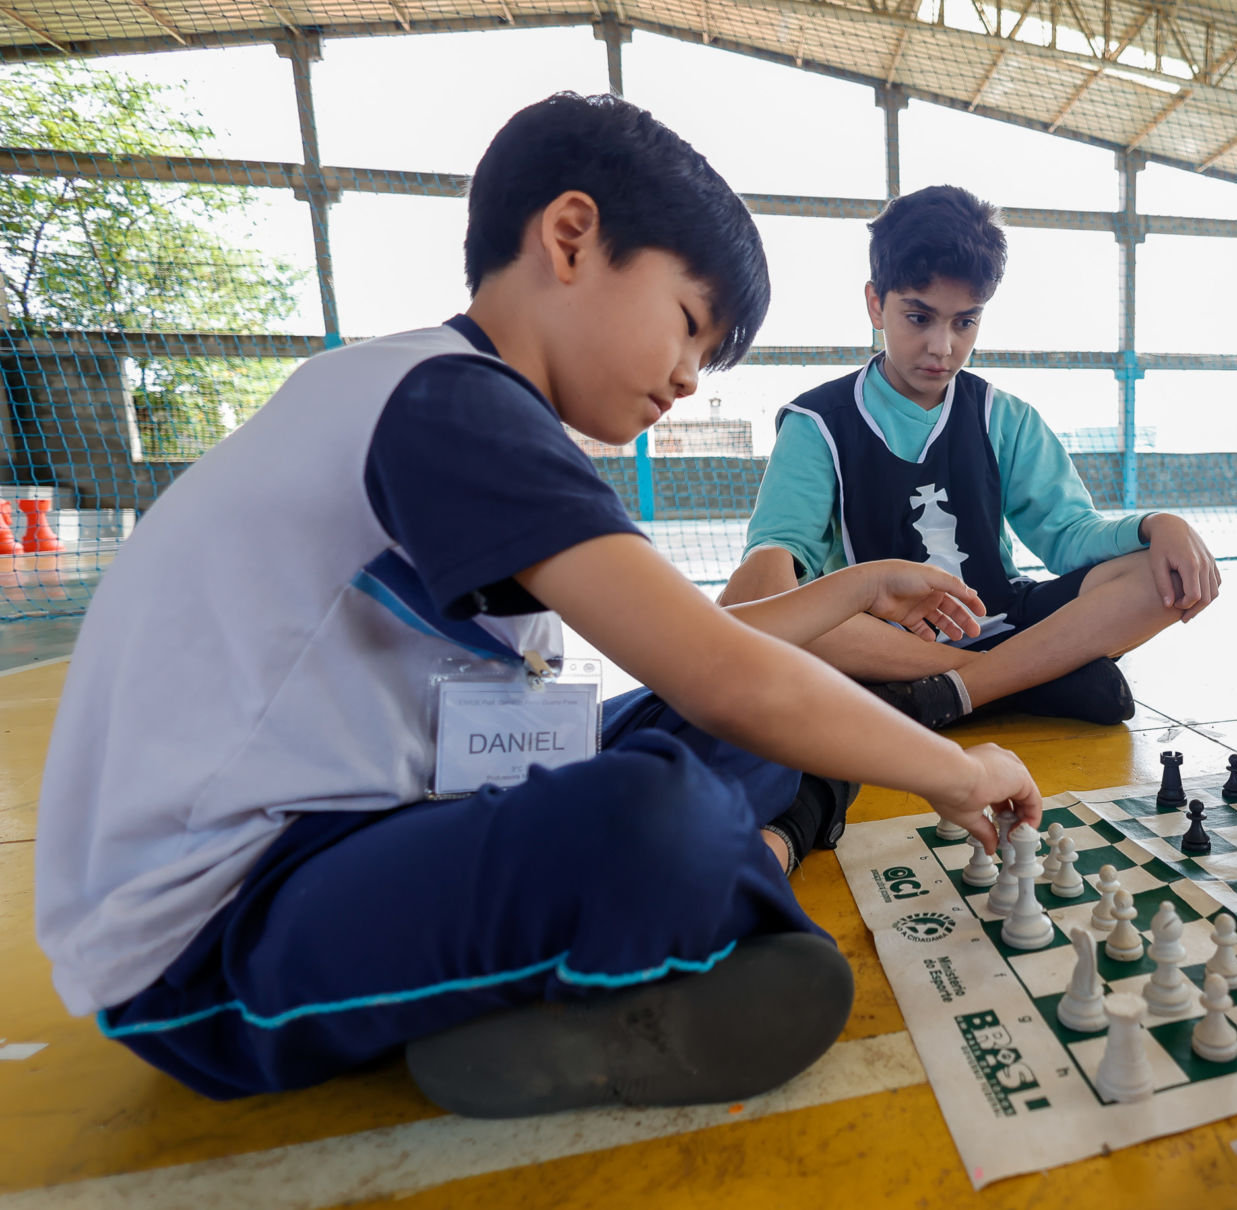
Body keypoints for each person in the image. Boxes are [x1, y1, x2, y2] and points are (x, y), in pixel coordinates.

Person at [34, 93, 1040, 1119]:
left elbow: (692, 658)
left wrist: (857, 588)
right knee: (666, 807)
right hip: (217, 939)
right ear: (570, 237)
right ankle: (686, 912)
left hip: (380, 826)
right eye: (690, 326)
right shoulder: (444, 401)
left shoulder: (460, 405)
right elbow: (723, 673)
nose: (691, 379)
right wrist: (954, 771)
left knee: (764, 732)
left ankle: (697, 898)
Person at [720, 185, 1221, 729]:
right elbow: (767, 583)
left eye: (965, 322)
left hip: (1004, 621)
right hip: (885, 645)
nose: (943, 347)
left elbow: (1070, 536)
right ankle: (1022, 682)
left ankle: (958, 690)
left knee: (1161, 575)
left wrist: (1156, 524)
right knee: (783, 617)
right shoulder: (817, 424)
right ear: (875, 304)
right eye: (919, 318)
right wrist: (770, 564)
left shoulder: (1004, 417)